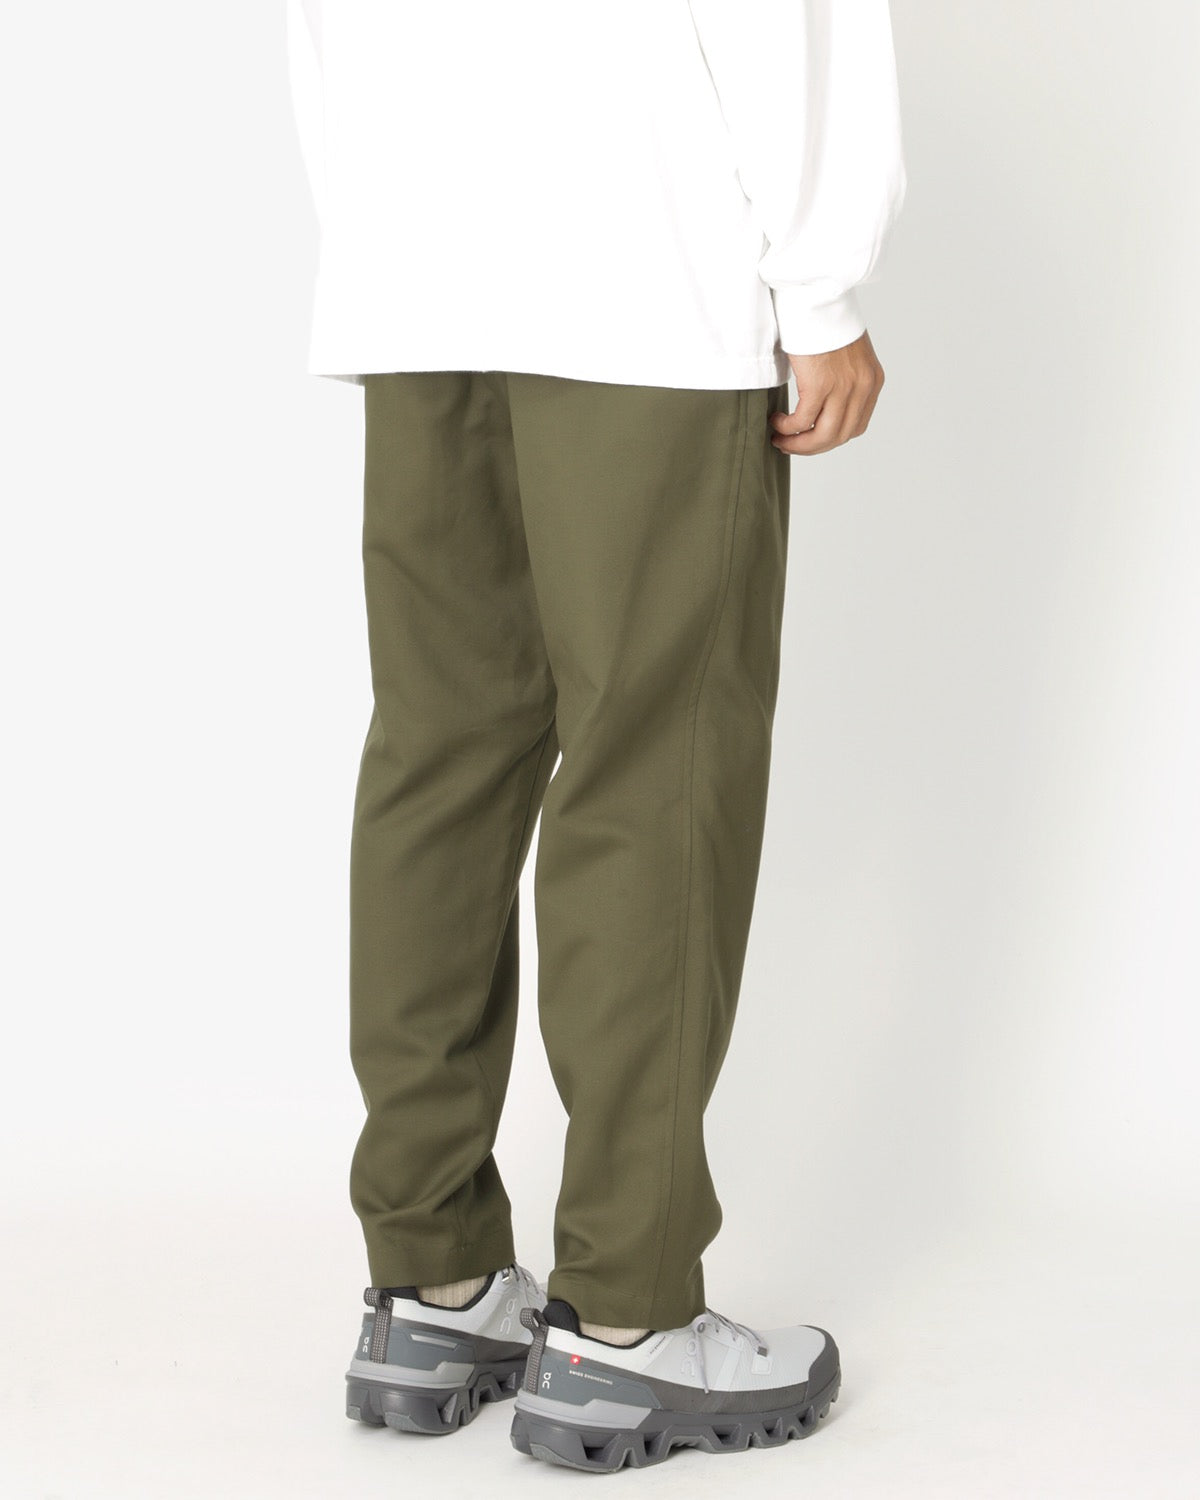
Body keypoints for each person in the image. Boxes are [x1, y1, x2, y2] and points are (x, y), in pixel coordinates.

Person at [285, 0, 906, 1473]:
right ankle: (627, 1319)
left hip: (417, 269)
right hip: (643, 269)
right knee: (652, 768)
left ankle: (430, 1287)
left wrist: (383, 234)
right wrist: (819, 290)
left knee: (440, 756)